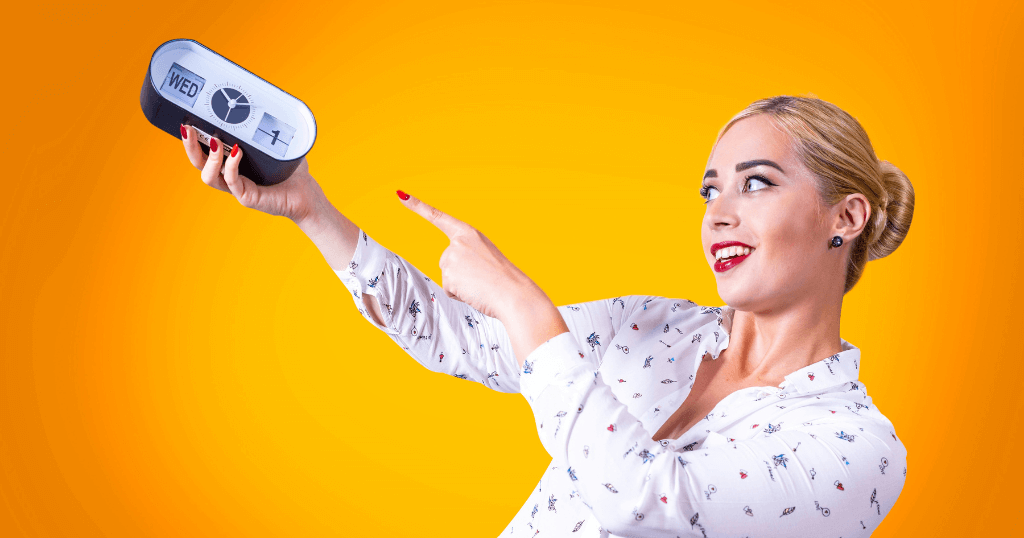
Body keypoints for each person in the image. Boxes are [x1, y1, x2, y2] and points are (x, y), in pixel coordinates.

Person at [179, 94, 913, 537]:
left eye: (756, 184)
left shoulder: (856, 448)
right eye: (709, 190)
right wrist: (308, 206)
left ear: (844, 216)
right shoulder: (651, 328)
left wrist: (525, 305)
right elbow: (459, 337)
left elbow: (651, 506)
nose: (718, 215)